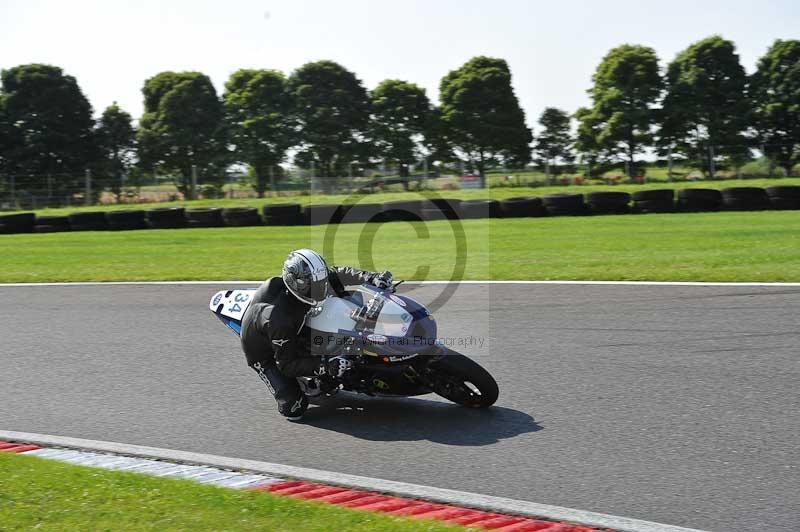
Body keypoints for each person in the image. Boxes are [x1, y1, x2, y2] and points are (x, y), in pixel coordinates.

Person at [240, 249, 392, 421]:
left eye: (320, 282)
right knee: (294, 408)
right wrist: (327, 365)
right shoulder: (279, 318)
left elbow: (337, 273)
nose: (321, 288)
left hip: (295, 325)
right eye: (314, 285)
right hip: (265, 352)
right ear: (295, 283)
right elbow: (287, 364)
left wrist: (372, 278)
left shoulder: (307, 284)